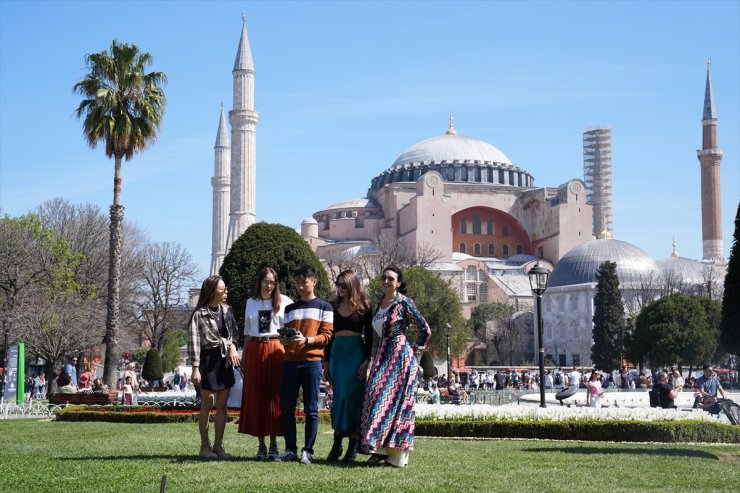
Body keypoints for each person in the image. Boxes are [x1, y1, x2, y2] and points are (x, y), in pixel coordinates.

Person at [359, 266, 431, 468]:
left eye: (391, 278)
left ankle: (395, 455)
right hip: (382, 354)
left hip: (399, 356)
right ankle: (379, 448)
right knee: (375, 395)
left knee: (396, 403)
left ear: (398, 283)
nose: (386, 281)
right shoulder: (379, 304)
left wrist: (416, 354)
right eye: (383, 278)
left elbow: (425, 329)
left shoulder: (404, 303)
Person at [276, 265, 334, 465]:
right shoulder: (289, 309)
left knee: (311, 409)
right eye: (298, 283)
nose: (301, 286)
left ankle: (307, 451)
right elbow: (286, 333)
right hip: (290, 361)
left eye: (304, 282)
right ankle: (290, 449)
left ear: (314, 282)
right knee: (286, 408)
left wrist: (306, 340)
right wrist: (285, 340)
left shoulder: (325, 307)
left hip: (312, 362)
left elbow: (326, 336)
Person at [239, 267, 292, 461]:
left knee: (274, 397)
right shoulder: (250, 303)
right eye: (265, 281)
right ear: (259, 282)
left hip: (276, 349)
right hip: (255, 348)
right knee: (257, 397)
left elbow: (293, 327)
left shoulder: (285, 302)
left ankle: (274, 445)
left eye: (272, 282)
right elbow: (246, 332)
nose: (269, 285)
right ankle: (261, 445)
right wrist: (244, 358)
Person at [187, 275, 241, 460]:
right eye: (222, 288)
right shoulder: (199, 314)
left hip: (225, 359)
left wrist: (232, 346)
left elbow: (234, 334)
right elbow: (194, 342)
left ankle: (219, 445)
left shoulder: (227, 311)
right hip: (208, 359)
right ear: (211, 291)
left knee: (223, 405)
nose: (226, 291)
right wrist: (195, 367)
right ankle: (205, 445)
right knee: (208, 402)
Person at [323, 269, 372, 463]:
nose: (340, 288)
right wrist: (326, 362)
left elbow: (369, 338)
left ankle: (352, 446)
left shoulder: (364, 307)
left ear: (352, 284)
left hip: (356, 354)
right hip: (337, 354)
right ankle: (336, 443)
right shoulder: (331, 306)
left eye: (344, 284)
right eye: (338, 284)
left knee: (353, 399)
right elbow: (327, 336)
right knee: (339, 398)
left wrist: (367, 360)